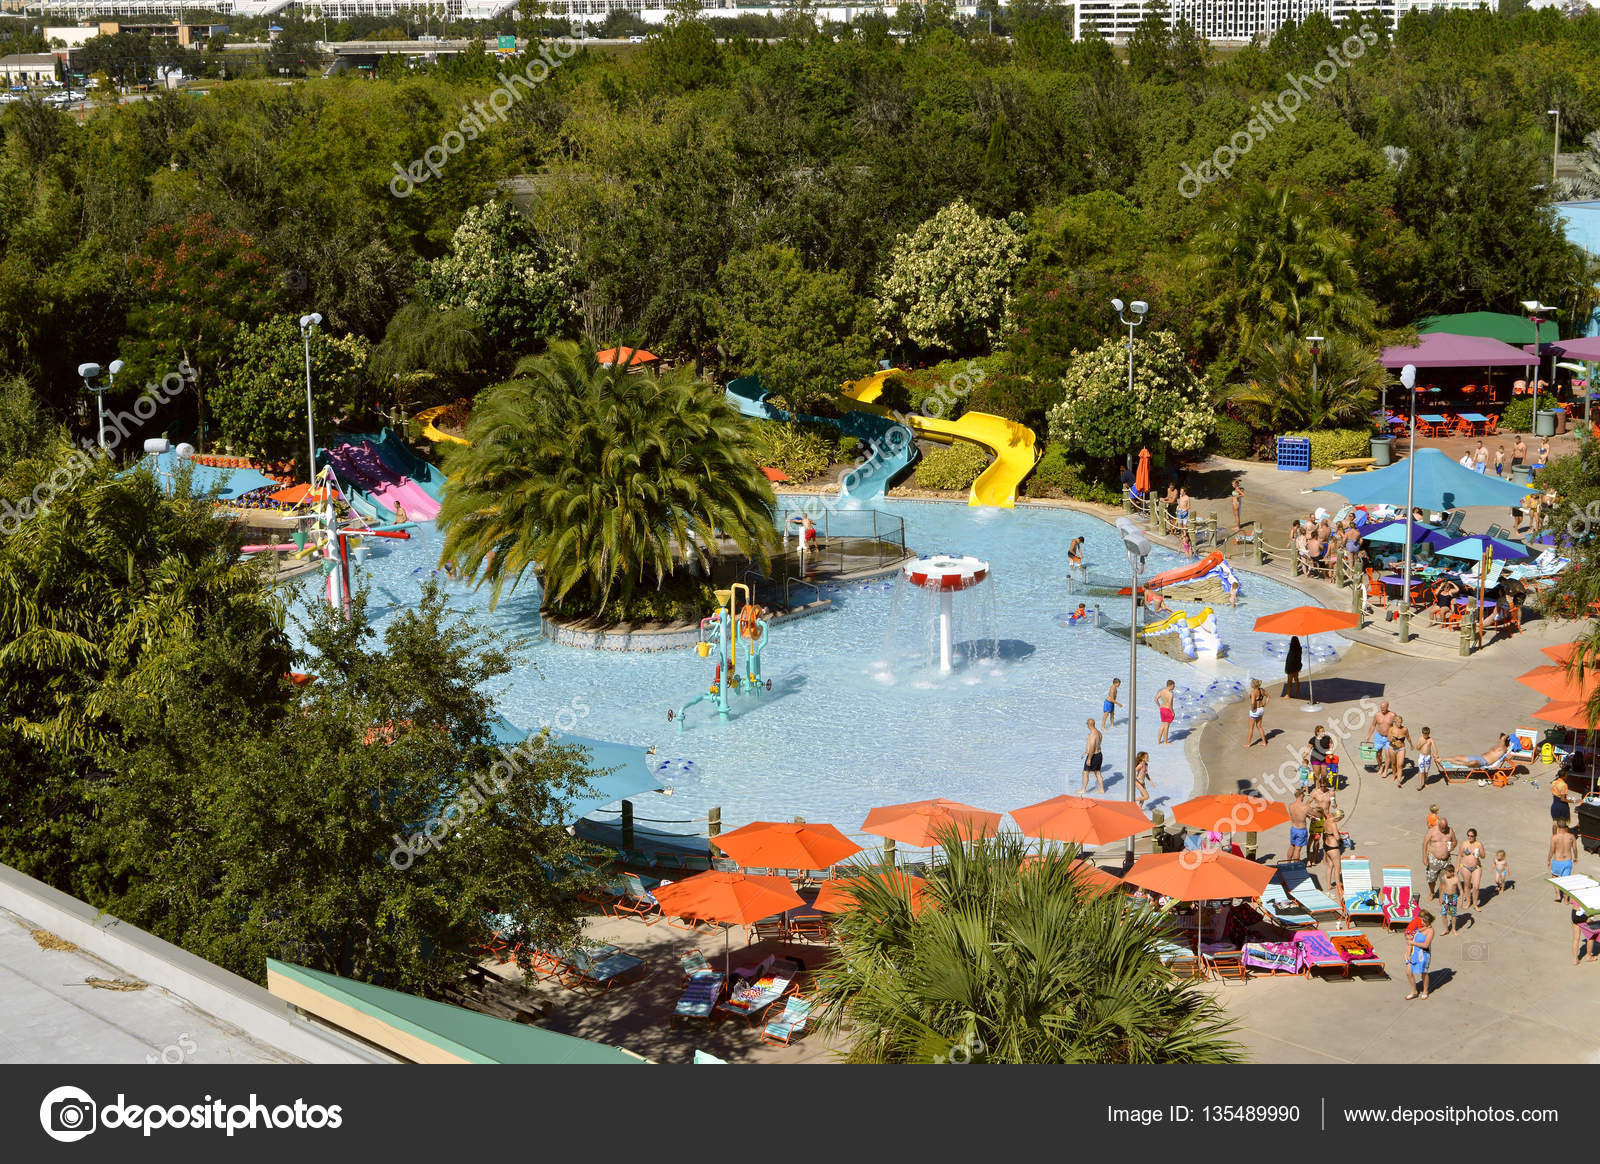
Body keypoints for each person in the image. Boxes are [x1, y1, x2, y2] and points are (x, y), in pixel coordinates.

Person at [1423, 814, 1458, 901]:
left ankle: (1441, 897)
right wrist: (1424, 857)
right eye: (1442, 828)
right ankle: (1432, 892)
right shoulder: (1432, 831)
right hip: (1433, 859)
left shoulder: (1450, 831)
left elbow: (1454, 841)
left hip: (1446, 861)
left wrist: (1452, 847)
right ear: (1438, 825)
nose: (1443, 830)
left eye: (1445, 828)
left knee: (1444, 879)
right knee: (1431, 880)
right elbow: (1425, 844)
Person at [1406, 910, 1434, 1000]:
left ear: (1427, 921)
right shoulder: (1421, 928)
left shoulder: (1430, 931)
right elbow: (1411, 940)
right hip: (1414, 952)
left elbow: (1425, 945)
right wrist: (1407, 952)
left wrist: (1412, 943)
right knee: (1408, 972)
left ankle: (1425, 990)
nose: (1421, 922)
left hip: (1423, 953)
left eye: (1422, 921)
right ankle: (1414, 991)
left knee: (1423, 973)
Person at [1550, 822, 1578, 899]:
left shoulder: (1555, 837)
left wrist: (1549, 859)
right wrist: (1576, 858)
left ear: (1558, 827)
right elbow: (1575, 849)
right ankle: (1566, 899)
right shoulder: (1572, 836)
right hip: (1567, 861)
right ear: (1566, 827)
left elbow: (1552, 850)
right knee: (1566, 881)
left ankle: (1558, 895)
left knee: (1555, 876)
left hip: (1557, 861)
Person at [1459, 828, 1485, 910]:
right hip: (1465, 867)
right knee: (1467, 885)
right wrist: (1457, 867)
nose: (1469, 837)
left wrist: (1479, 853)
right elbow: (1459, 855)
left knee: (1476, 887)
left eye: (1472, 836)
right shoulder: (1464, 844)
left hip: (1476, 867)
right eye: (1468, 835)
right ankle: (1468, 902)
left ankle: (1475, 904)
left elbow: (1483, 856)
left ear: (1475, 836)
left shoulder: (1479, 844)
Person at [1387, 715, 1415, 786]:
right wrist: (1391, 740)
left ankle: (1399, 781)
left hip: (1401, 749)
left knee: (1400, 765)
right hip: (1392, 748)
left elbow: (1408, 737)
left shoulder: (1405, 729)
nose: (1400, 724)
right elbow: (1388, 738)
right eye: (1398, 722)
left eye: (1401, 722)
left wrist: (1411, 745)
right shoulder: (1391, 729)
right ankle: (1394, 775)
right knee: (1393, 764)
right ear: (1395, 722)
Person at [1081, 718, 1104, 794]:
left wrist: (1089, 759)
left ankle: (1083, 789)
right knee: (1097, 772)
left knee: (1085, 772)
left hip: (1093, 755)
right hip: (1099, 754)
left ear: (1089, 725)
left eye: (1087, 724)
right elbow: (1098, 743)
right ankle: (1102, 789)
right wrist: (1085, 752)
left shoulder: (1092, 735)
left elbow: (1092, 747)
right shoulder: (1099, 733)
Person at [1287, 786, 1310, 862]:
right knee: (1297, 849)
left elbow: (1298, 814)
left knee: (1292, 846)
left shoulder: (1290, 805)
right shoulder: (1305, 807)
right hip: (1301, 829)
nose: (1303, 797)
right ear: (1301, 795)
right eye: (1303, 795)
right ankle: (1296, 866)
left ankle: (1288, 863)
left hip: (1293, 828)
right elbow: (1315, 814)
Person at [1437, 864, 1461, 934]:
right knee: (1443, 913)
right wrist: (1440, 898)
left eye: (1447, 872)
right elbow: (1442, 887)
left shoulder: (1456, 879)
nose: (1446, 873)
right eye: (1445, 872)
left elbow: (1461, 890)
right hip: (1445, 897)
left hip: (1453, 898)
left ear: (1452, 872)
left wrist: (1461, 900)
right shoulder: (1445, 877)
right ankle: (1446, 929)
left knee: (1453, 914)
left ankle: (1453, 929)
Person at [1246, 678, 1269, 748]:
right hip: (1261, 709)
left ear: (1253, 685)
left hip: (1255, 711)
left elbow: (1253, 703)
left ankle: (1248, 744)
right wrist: (1264, 705)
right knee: (1259, 726)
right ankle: (1264, 742)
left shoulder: (1253, 692)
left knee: (1251, 728)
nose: (1250, 684)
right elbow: (1268, 697)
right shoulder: (1262, 690)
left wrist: (1252, 709)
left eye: (1251, 683)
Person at [1415, 727, 1438, 791]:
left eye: (1427, 734)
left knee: (1426, 771)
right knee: (1421, 770)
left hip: (1428, 757)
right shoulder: (1420, 739)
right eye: (1424, 734)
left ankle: (1425, 782)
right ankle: (1420, 784)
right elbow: (1417, 748)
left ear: (1429, 733)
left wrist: (1436, 754)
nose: (1425, 736)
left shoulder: (1431, 740)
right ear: (1422, 733)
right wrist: (1422, 744)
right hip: (1421, 756)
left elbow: (1434, 748)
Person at [1156, 680, 1176, 745]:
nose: (1174, 687)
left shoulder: (1161, 691)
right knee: (1166, 726)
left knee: (1162, 725)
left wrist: (1159, 706)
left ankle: (1158, 741)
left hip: (1162, 709)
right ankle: (1165, 742)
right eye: (1173, 685)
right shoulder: (1170, 694)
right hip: (1167, 710)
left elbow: (1156, 699)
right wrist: (1172, 712)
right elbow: (1170, 704)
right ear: (1170, 685)